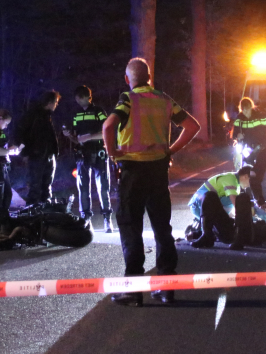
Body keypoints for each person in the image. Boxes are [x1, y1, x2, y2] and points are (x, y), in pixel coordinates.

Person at [103, 57, 200, 306]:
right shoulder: (164, 99)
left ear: (128, 79)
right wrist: (170, 150)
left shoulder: (127, 99)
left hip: (132, 172)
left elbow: (108, 125)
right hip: (158, 171)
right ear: (149, 78)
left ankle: (132, 290)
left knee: (130, 227)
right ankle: (166, 288)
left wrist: (113, 153)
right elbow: (192, 126)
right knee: (162, 229)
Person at [63, 85, 113, 232]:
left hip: (98, 152)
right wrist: (69, 135)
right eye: (76, 98)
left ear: (87, 97)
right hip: (82, 155)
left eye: (80, 97)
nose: (78, 100)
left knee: (103, 187)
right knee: (83, 188)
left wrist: (89, 136)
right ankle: (85, 219)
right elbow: (76, 138)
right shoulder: (76, 114)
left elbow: (107, 131)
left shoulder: (99, 111)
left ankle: (107, 219)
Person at [188, 166, 255, 250]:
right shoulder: (231, 179)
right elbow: (235, 203)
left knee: (242, 198)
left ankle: (207, 234)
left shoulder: (236, 185)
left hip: (217, 219)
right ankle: (206, 236)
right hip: (199, 207)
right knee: (210, 196)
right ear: (245, 176)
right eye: (250, 181)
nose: (249, 185)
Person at [16, 90, 61, 205]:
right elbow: (19, 134)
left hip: (48, 156)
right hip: (36, 156)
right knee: (35, 187)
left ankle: (45, 212)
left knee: (46, 187)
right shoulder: (33, 115)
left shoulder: (47, 116)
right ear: (50, 102)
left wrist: (54, 152)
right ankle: (32, 215)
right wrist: (24, 153)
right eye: (55, 102)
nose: (56, 105)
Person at [232, 97, 266, 198]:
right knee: (247, 178)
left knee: (263, 179)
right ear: (241, 109)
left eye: (247, 109)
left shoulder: (261, 117)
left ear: (251, 108)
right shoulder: (240, 118)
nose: (245, 112)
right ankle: (249, 202)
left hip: (261, 151)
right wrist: (237, 136)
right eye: (243, 110)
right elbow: (234, 134)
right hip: (247, 153)